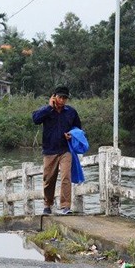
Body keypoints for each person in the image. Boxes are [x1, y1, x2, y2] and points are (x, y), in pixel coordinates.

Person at [32, 86, 82, 215]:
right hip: (50, 150)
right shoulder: (46, 111)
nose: (62, 100)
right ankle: (47, 204)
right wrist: (49, 107)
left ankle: (65, 206)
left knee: (66, 177)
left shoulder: (71, 112)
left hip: (66, 149)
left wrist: (72, 134)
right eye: (60, 97)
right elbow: (35, 119)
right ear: (54, 96)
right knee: (49, 179)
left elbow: (78, 128)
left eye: (65, 98)